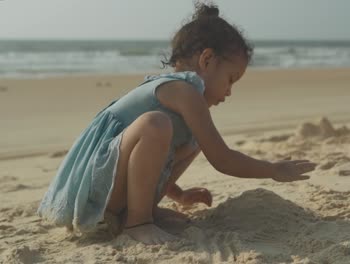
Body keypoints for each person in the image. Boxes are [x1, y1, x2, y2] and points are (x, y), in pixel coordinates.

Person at [37, 3, 317, 245]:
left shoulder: (184, 99)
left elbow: (152, 156)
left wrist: (178, 194)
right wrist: (272, 169)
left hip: (112, 189)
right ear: (207, 59)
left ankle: (141, 209)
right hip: (94, 191)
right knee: (155, 124)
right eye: (231, 79)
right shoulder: (183, 91)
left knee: (192, 138)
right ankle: (138, 222)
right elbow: (222, 159)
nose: (229, 92)